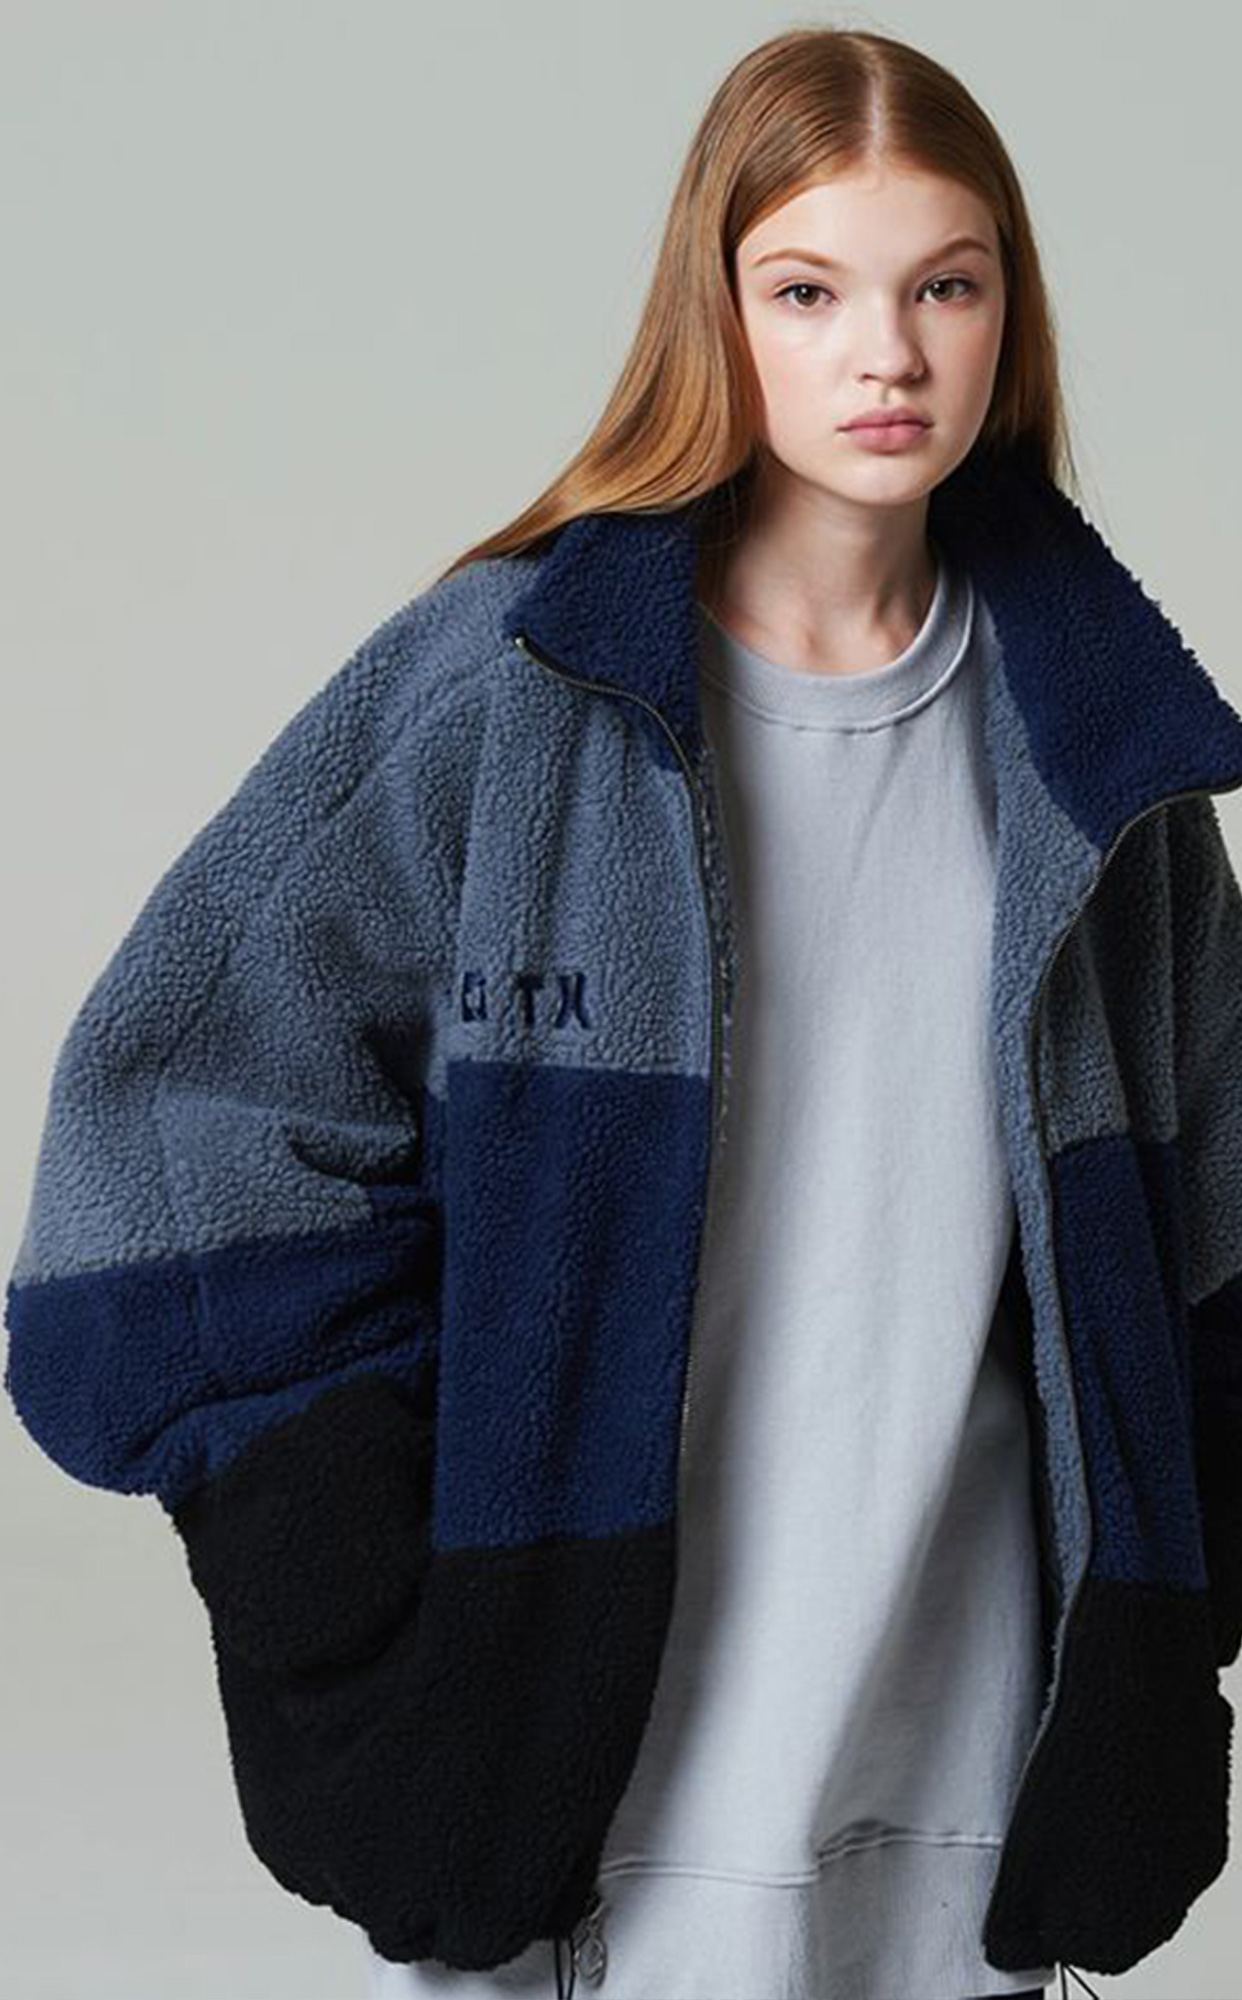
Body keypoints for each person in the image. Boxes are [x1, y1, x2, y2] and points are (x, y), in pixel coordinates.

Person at [5, 24, 1240, 2000]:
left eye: (944, 286)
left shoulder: (1097, 753)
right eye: (808, 291)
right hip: (593, 1799)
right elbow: (161, 1121)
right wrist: (362, 1570)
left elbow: (1209, 1242)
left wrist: (1170, 1623)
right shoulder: (513, 689)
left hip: (969, 1791)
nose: (887, 354)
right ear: (712, 311)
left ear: (1009, 313)